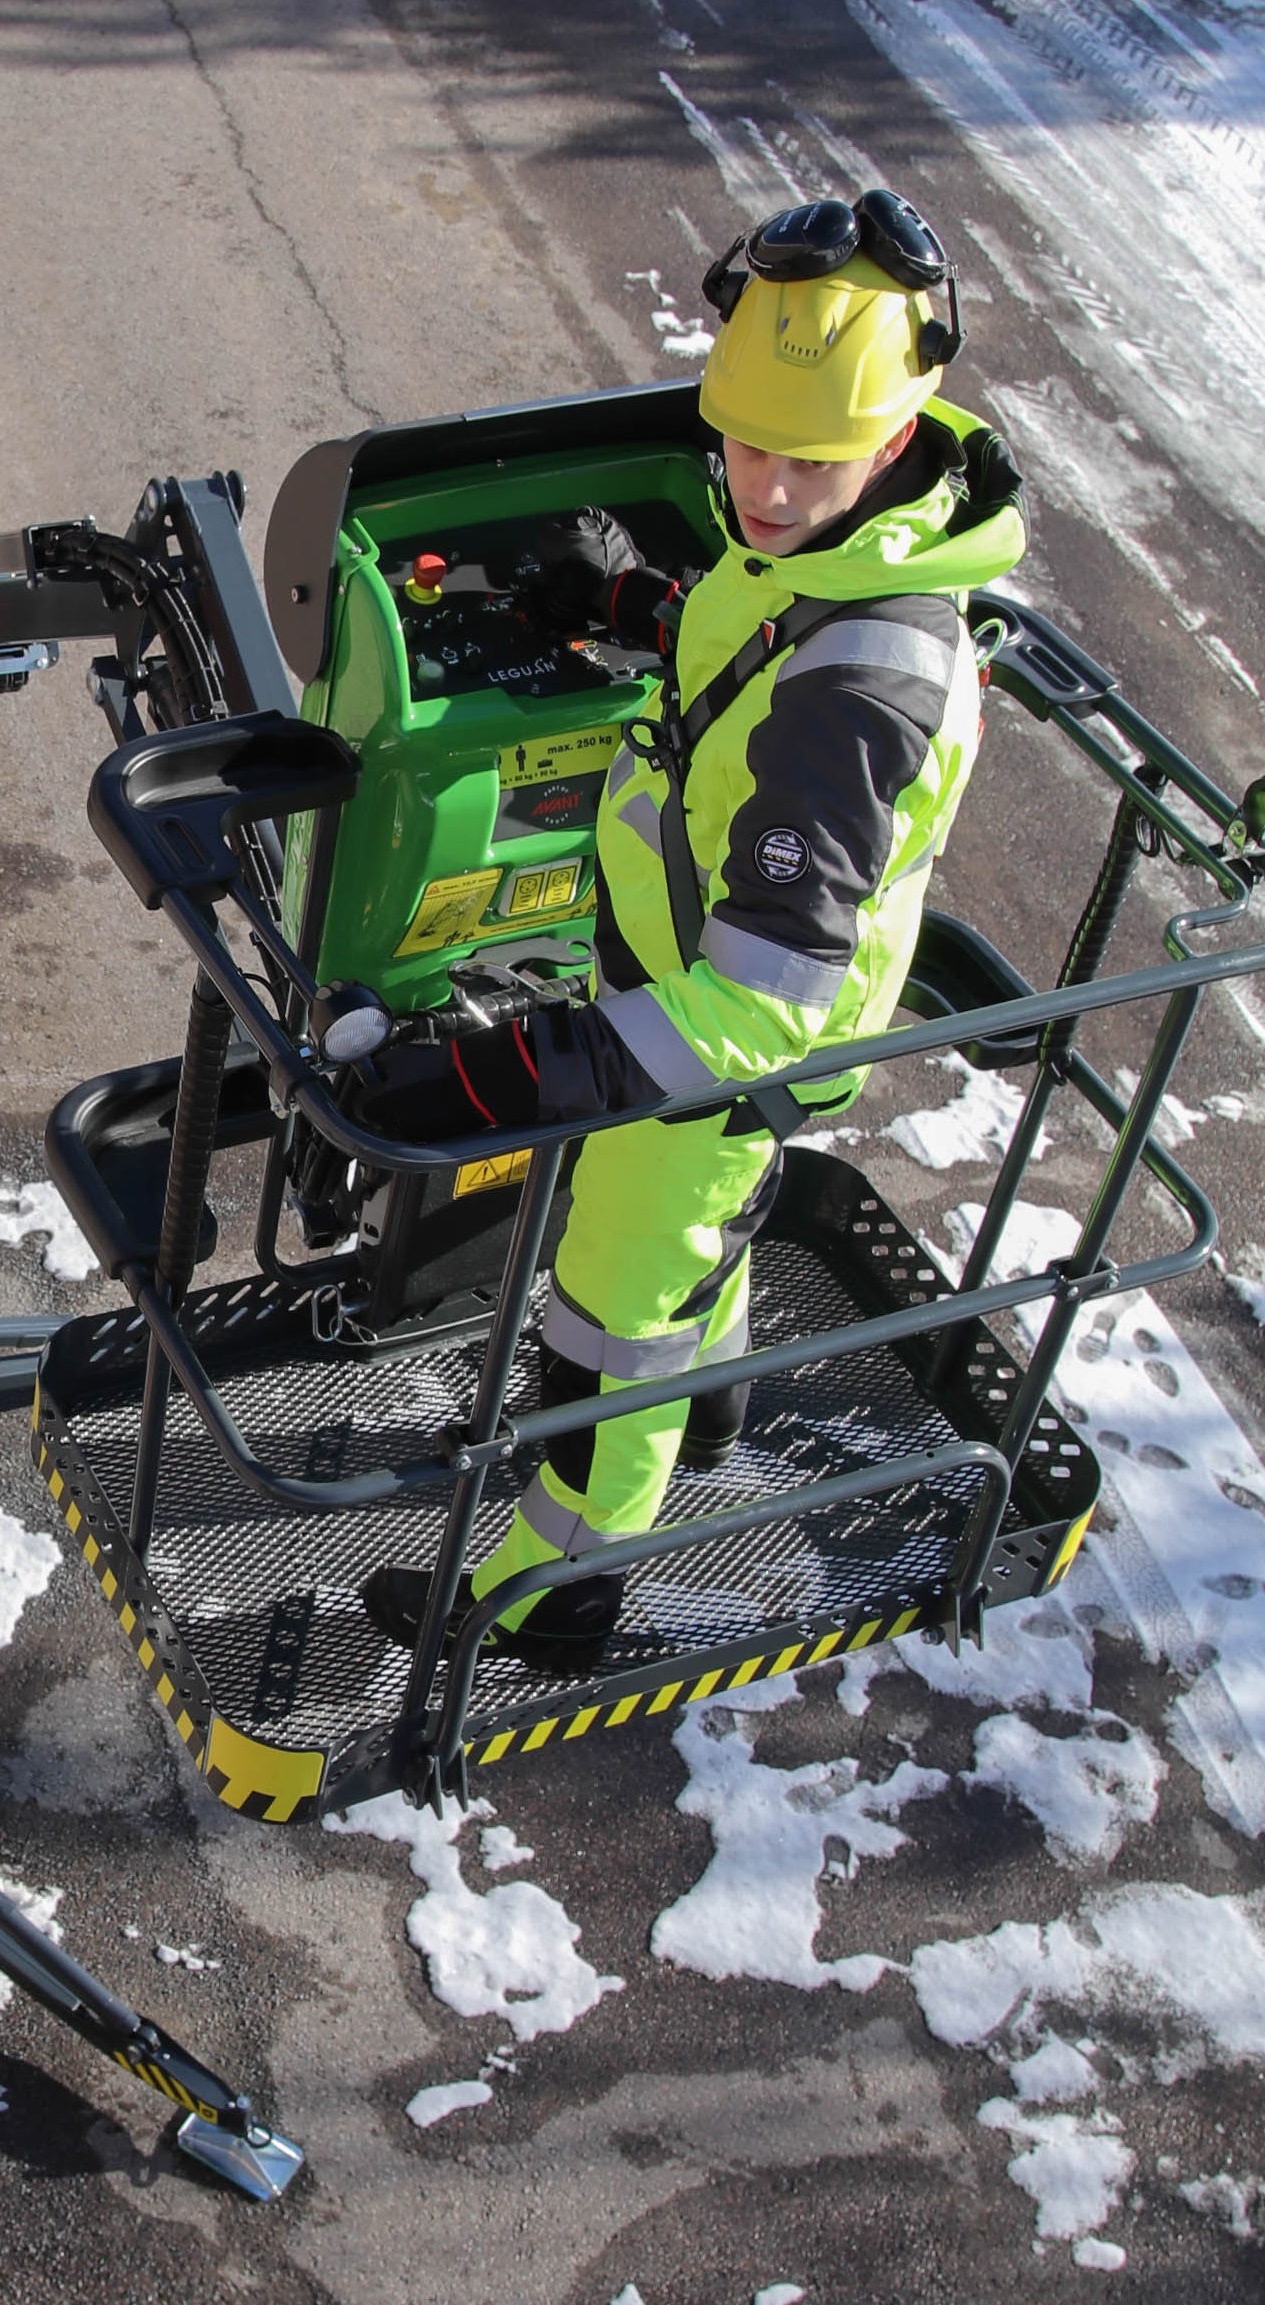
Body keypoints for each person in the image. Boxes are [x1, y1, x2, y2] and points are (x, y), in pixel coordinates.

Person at [358, 190, 1028, 1660]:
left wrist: (504, 1076)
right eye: (747, 445)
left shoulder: (868, 684)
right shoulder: (826, 553)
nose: (770, 487)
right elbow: (747, 640)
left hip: (707, 1043)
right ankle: (711, 1411)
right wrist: (637, 601)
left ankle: (555, 1591)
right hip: (667, 989)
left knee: (610, 1317)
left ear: (899, 438)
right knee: (673, 1251)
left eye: (812, 458)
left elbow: (764, 1001)